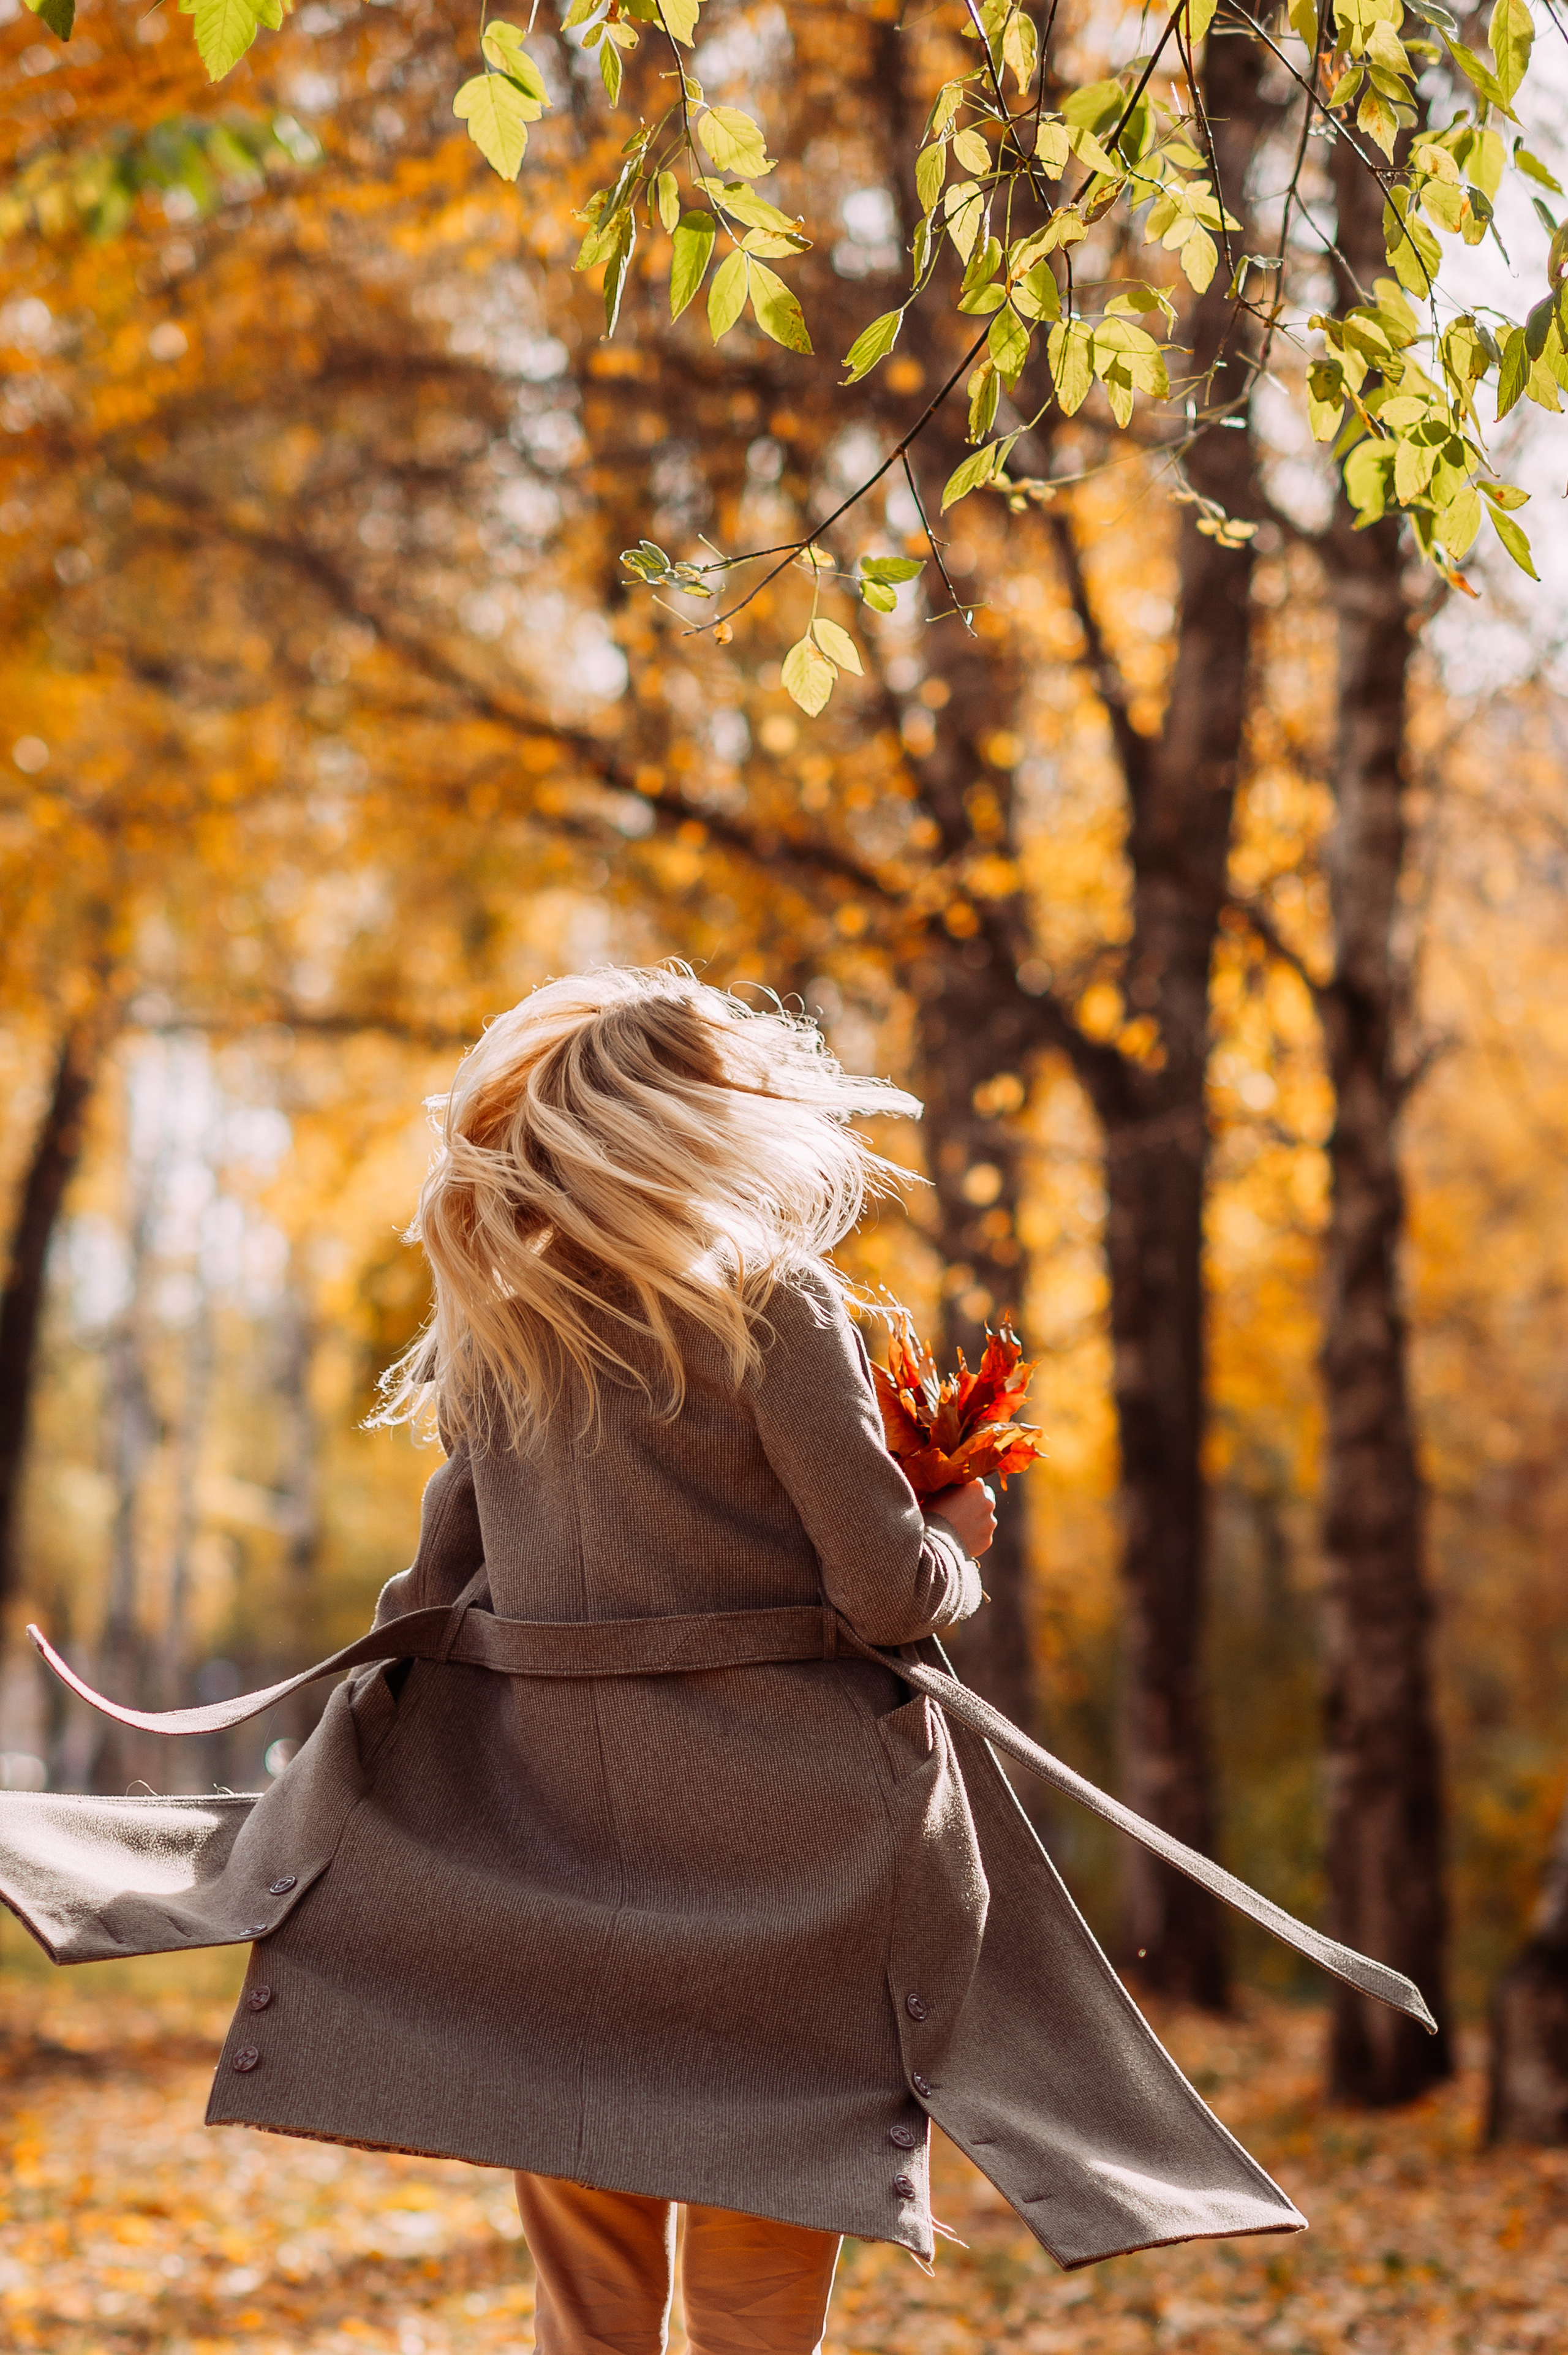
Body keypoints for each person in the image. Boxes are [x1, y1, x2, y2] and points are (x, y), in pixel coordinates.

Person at [4, 965, 1436, 2354]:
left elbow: (432, 1594)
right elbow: (885, 1598)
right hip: (787, 1872)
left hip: (549, 1852)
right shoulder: (774, 1303)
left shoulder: (510, 1329)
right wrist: (960, 1533)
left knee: (590, 2307)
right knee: (757, 2300)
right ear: (704, 1120)